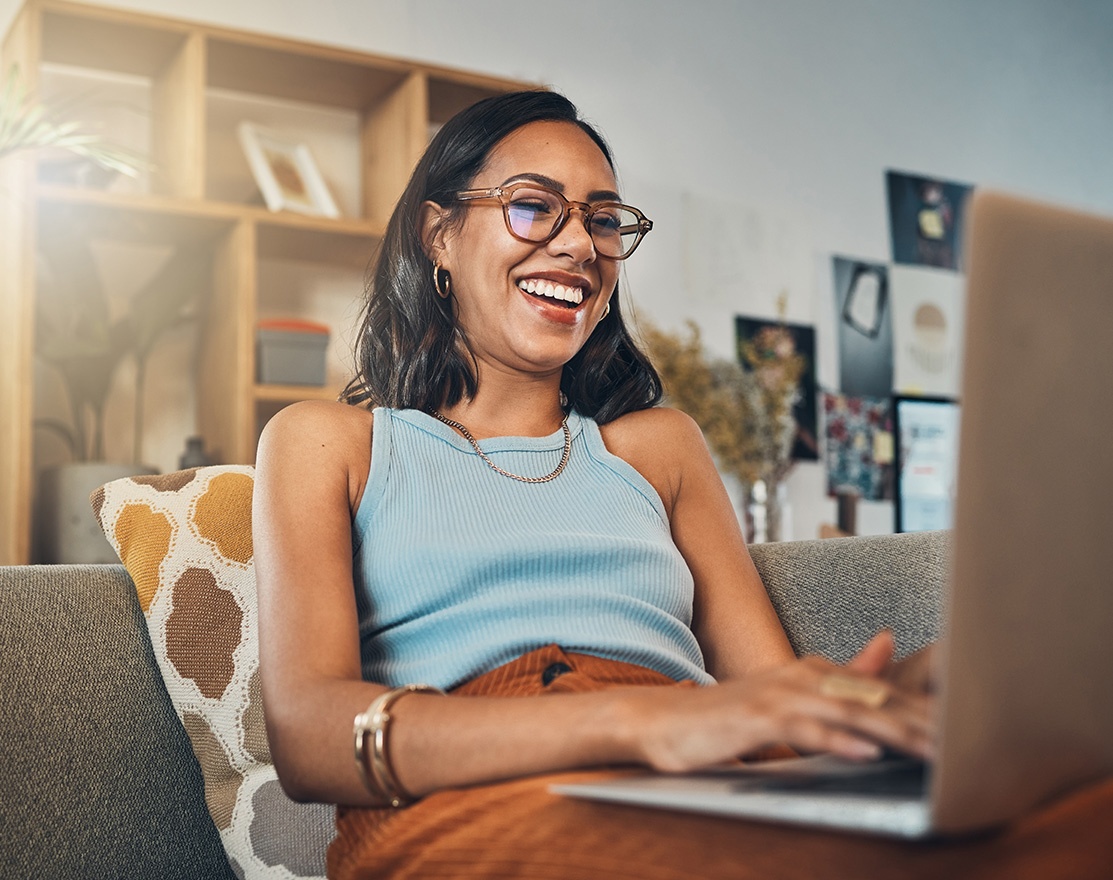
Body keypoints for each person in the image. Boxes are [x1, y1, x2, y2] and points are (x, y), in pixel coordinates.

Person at [252, 90, 1051, 879]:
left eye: (601, 220)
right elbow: (311, 738)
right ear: (440, 236)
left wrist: (895, 698)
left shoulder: (657, 448)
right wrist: (640, 720)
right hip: (475, 794)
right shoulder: (330, 443)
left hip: (709, 779)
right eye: (534, 207)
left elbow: (768, 695)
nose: (578, 246)